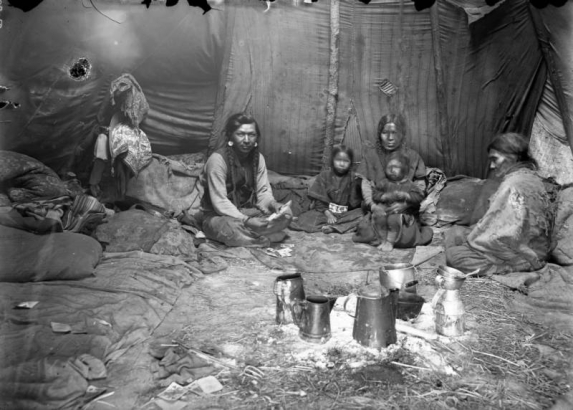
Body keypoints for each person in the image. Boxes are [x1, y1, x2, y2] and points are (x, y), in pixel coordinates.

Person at [445, 132, 555, 276]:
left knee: (455, 256)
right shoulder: (530, 176)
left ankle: (507, 269)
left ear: (512, 157)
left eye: (495, 159)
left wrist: (475, 239)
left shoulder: (513, 184)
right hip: (532, 247)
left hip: (524, 254)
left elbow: (506, 234)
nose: (491, 165)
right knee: (456, 233)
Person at [198, 113, 292, 247]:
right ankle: (261, 238)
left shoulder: (258, 159)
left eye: (251, 135)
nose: (247, 140)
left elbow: (263, 193)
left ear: (257, 138)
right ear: (231, 136)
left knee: (287, 215)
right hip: (218, 216)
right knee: (231, 229)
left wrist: (274, 204)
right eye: (241, 134)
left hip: (248, 212)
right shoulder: (217, 160)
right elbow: (220, 202)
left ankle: (253, 235)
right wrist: (246, 221)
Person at [353, 151, 432, 250]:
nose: (392, 170)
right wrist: (383, 197)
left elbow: (419, 197)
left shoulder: (409, 184)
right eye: (389, 167)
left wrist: (407, 196)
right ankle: (382, 240)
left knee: (393, 220)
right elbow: (375, 194)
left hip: (403, 216)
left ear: (404, 170)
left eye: (396, 167)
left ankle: (390, 242)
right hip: (385, 212)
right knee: (376, 218)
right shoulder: (384, 183)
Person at [357, 113, 427, 217]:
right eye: (385, 132)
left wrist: (406, 204)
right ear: (379, 135)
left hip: (406, 207)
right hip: (377, 205)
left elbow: (420, 185)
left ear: (402, 134)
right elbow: (365, 184)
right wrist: (373, 206)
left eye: (394, 132)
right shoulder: (371, 156)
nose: (390, 138)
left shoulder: (412, 156)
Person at [290, 145, 363, 234]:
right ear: (332, 161)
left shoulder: (353, 177)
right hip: (325, 212)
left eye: (346, 161)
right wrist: (329, 215)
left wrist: (357, 183)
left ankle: (334, 228)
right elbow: (319, 201)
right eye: (338, 160)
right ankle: (339, 226)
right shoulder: (324, 175)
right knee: (305, 220)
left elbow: (354, 203)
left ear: (351, 162)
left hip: (345, 214)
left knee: (362, 215)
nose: (342, 164)